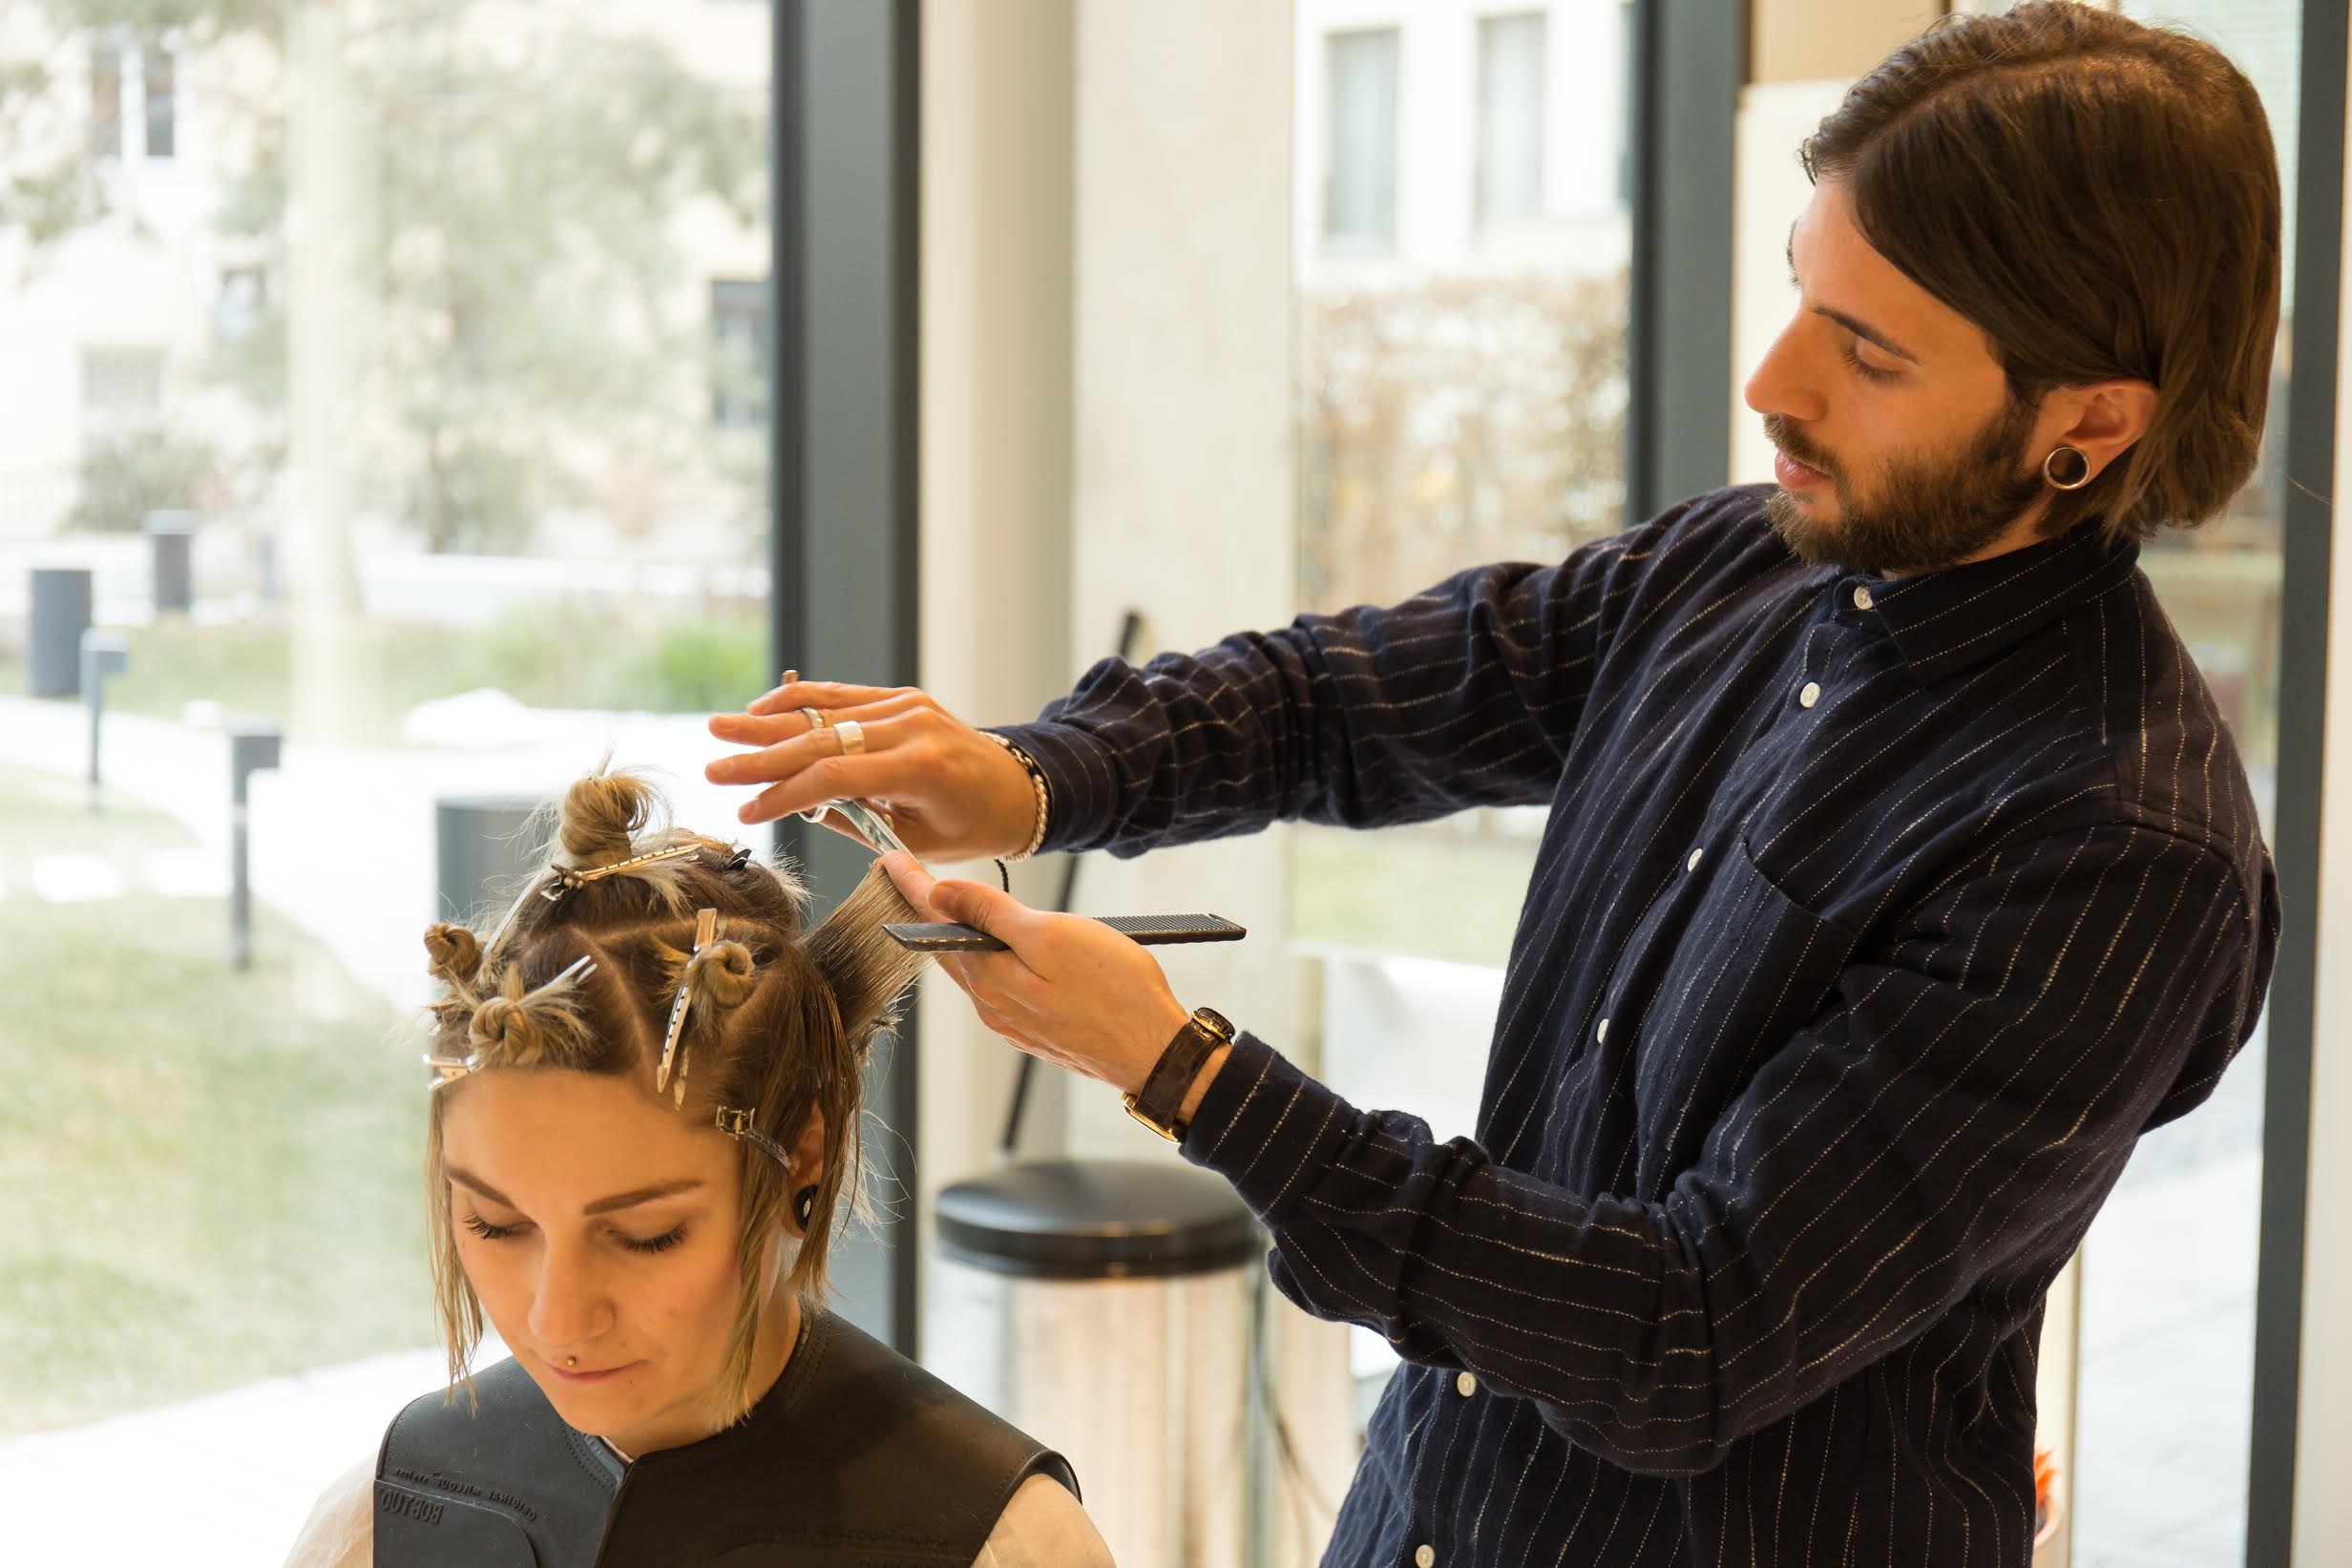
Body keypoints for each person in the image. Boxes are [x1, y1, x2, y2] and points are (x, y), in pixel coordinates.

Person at [706, 5, 2287, 1563]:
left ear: (2084, 423)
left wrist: (1189, 1073)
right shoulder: (1729, 569)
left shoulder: (2114, 844)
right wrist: (1034, 773)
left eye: (1865, 352)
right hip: (1429, 1513)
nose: (1769, 380)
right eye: (1800, 292)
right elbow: (1352, 698)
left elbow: (1686, 1331)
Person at [282, 769, 1114, 1568]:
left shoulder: (996, 1545)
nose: (556, 1318)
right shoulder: (389, 1517)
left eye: (646, 1235)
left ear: (804, 1159)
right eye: (495, 1223)